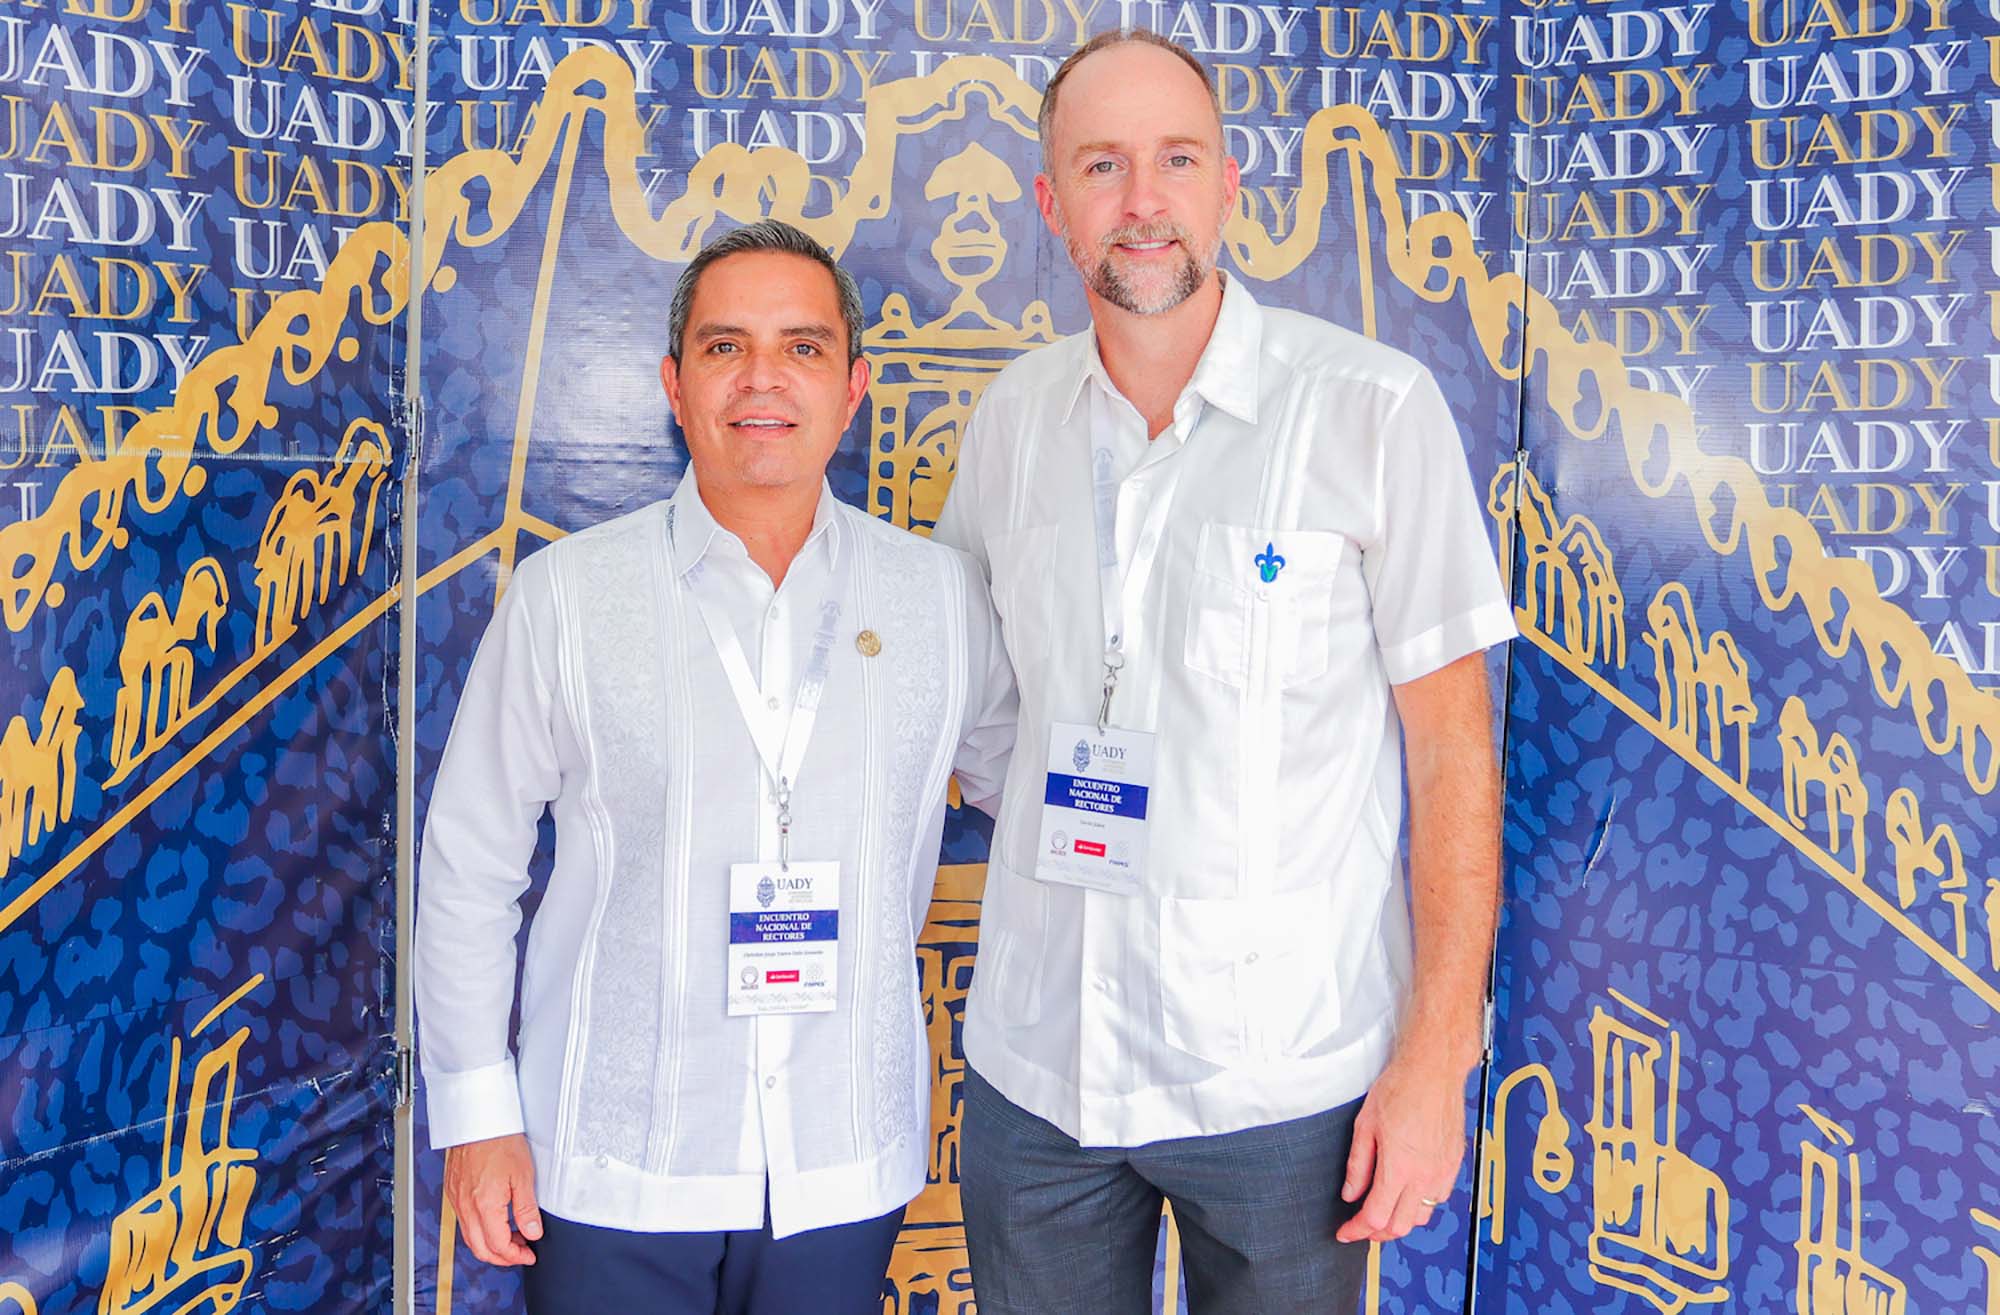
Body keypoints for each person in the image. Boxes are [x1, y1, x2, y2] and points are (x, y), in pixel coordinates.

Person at [931, 29, 1515, 1313]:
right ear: (1050, 202)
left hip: (1283, 1087)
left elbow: (1450, 753)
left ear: (1228, 186)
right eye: (1101, 165)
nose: (1141, 201)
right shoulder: (1010, 420)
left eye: (1176, 160)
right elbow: (975, 689)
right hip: (1038, 1073)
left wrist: (1436, 1054)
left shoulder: (1370, 409)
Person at [416, 219, 1017, 1315]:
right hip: (615, 1157)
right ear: (674, 383)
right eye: (725, 345)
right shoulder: (567, 598)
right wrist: (476, 1113)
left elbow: (1026, 797)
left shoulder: (940, 601)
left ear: (853, 388)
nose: (762, 378)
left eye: (802, 347)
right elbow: (468, 865)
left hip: (842, 1157)